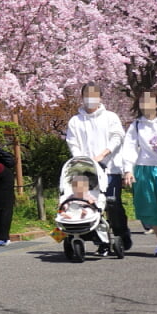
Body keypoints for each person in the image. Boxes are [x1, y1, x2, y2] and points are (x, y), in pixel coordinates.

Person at [65, 82, 131, 251]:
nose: (91, 99)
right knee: (90, 204)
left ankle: (121, 233)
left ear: (100, 97)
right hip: (85, 171)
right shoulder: (75, 121)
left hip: (110, 169)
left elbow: (117, 137)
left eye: (94, 95)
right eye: (87, 95)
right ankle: (101, 241)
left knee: (112, 203)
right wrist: (80, 160)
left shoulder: (110, 117)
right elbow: (72, 142)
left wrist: (103, 154)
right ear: (82, 97)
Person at [121, 90, 157, 258]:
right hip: (145, 168)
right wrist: (128, 170)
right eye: (141, 102)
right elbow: (129, 148)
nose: (145, 104)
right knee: (152, 207)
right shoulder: (136, 125)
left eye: (148, 101)